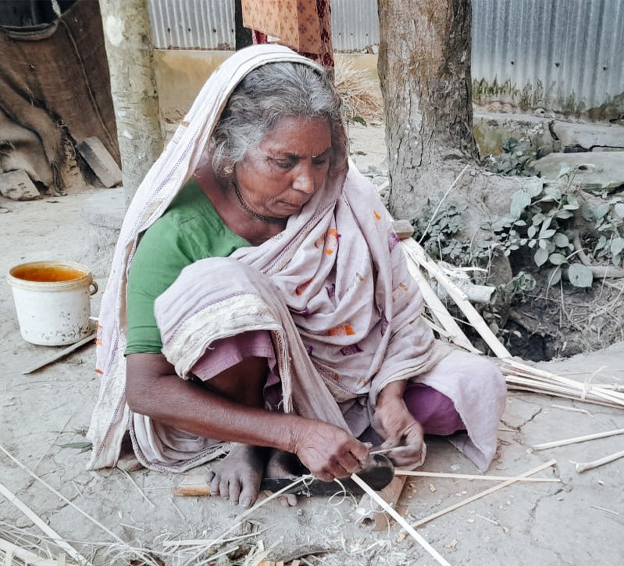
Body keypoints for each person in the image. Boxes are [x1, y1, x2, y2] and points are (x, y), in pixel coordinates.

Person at [86, 45, 507, 508]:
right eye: (284, 163)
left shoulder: (344, 194)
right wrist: (292, 431)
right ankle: (253, 442)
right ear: (231, 151)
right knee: (225, 286)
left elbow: (396, 309)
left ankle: (328, 429)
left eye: (320, 159)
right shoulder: (177, 233)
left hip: (343, 376)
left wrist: (391, 395)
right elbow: (146, 389)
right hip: (236, 391)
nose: (308, 184)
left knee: (471, 388)